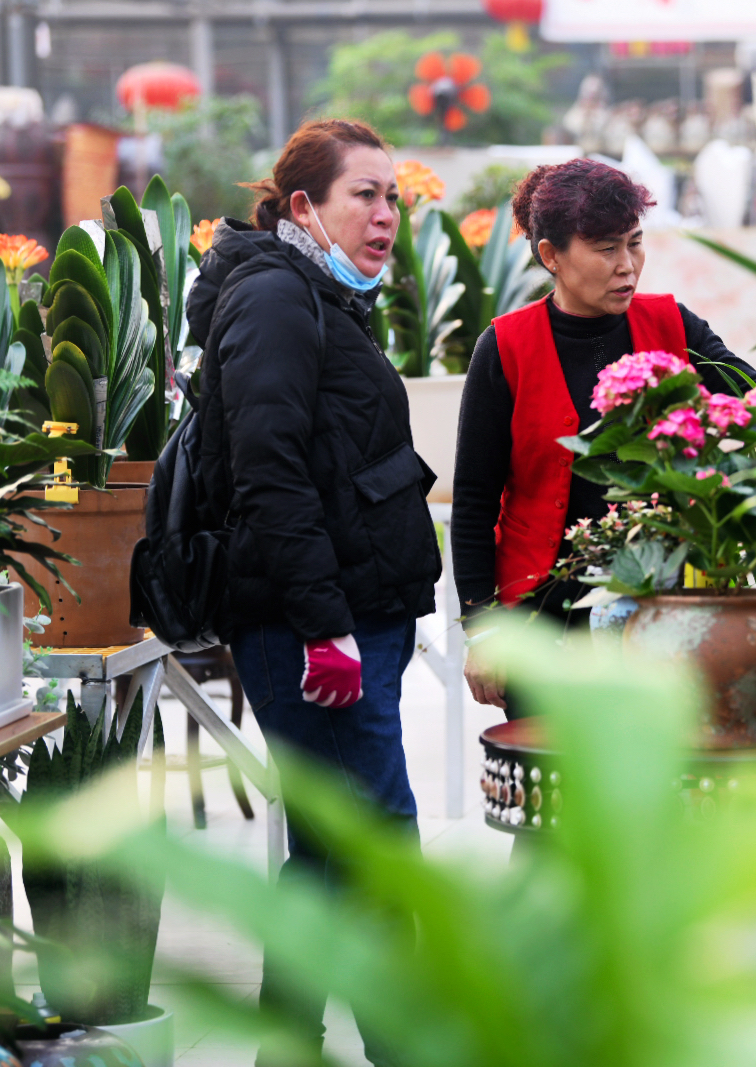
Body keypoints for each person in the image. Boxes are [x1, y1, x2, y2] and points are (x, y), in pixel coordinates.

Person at [186, 117, 441, 1067]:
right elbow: (269, 475)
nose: (385, 216)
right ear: (304, 206)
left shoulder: (314, 295)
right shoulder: (278, 301)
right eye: (363, 196)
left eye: (392, 197)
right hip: (314, 630)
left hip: (342, 619)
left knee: (334, 858)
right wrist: (325, 628)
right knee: (380, 848)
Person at [452, 159, 756, 712]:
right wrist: (481, 630)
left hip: (662, 613)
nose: (628, 266)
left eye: (635, 243)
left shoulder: (674, 325)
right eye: (605, 249)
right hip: (542, 623)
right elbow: (475, 502)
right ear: (551, 255)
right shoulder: (504, 347)